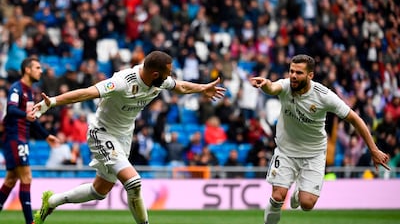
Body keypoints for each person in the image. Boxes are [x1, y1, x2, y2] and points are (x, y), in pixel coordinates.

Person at [33, 50, 226, 224]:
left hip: (123, 136)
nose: (170, 78)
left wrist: (202, 88)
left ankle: (52, 201)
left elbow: (180, 87)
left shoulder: (159, 80)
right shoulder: (123, 81)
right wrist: (53, 102)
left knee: (99, 191)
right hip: (102, 132)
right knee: (133, 182)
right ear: (155, 74)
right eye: (167, 74)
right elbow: (87, 93)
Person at [249, 54, 390, 224]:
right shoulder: (286, 86)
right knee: (278, 195)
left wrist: (373, 150)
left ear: (310, 75)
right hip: (286, 151)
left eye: (299, 73)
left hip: (313, 154)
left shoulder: (324, 96)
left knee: (306, 204)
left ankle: (299, 191)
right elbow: (272, 87)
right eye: (291, 71)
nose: (293, 76)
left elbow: (355, 119)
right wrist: (265, 85)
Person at [0, 57, 58, 224]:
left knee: (11, 179)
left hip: (21, 137)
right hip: (14, 137)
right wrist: (25, 115)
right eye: (37, 67)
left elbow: (31, 119)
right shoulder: (17, 89)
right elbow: (11, 109)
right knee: (26, 178)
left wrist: (46, 135)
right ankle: (30, 222)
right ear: (27, 69)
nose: (41, 71)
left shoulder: (30, 92)